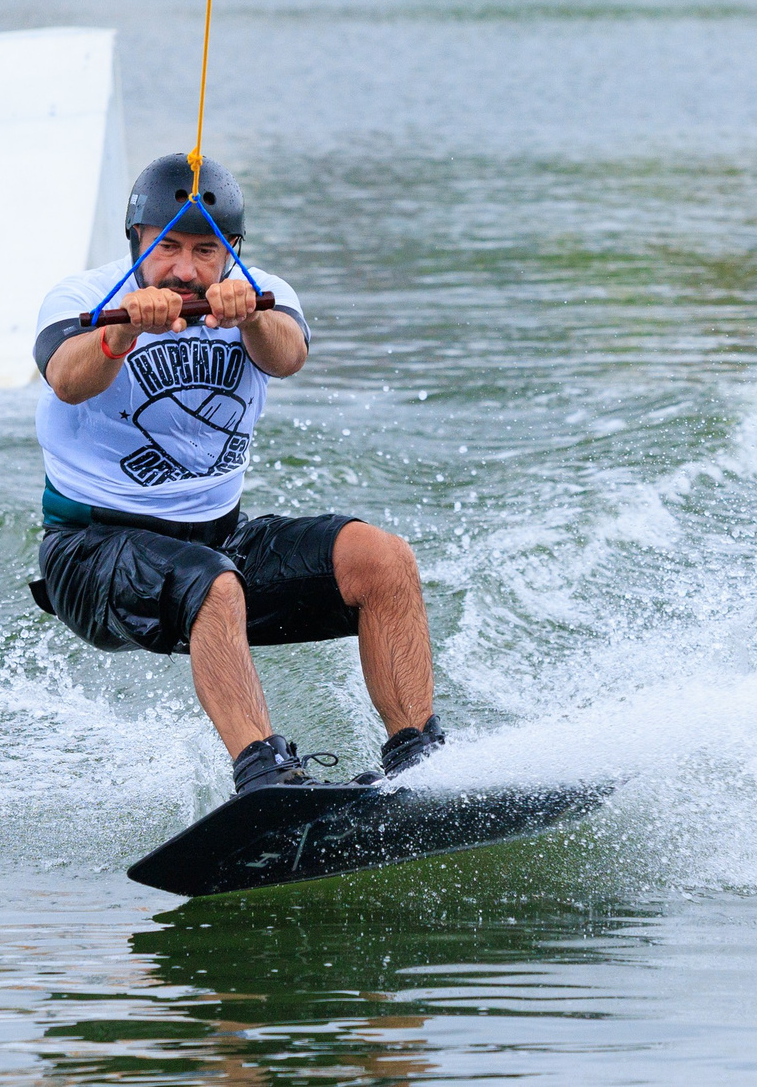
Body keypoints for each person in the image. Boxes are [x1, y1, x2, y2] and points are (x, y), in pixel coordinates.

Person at [30, 154, 447, 796]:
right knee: (215, 585)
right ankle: (265, 779)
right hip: (91, 554)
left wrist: (249, 314)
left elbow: (289, 355)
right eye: (167, 247)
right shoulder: (83, 298)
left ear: (233, 251)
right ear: (136, 240)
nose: (186, 269)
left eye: (206, 250)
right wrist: (121, 336)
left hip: (216, 539)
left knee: (383, 559)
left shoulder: (263, 296)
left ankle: (422, 763)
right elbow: (65, 377)